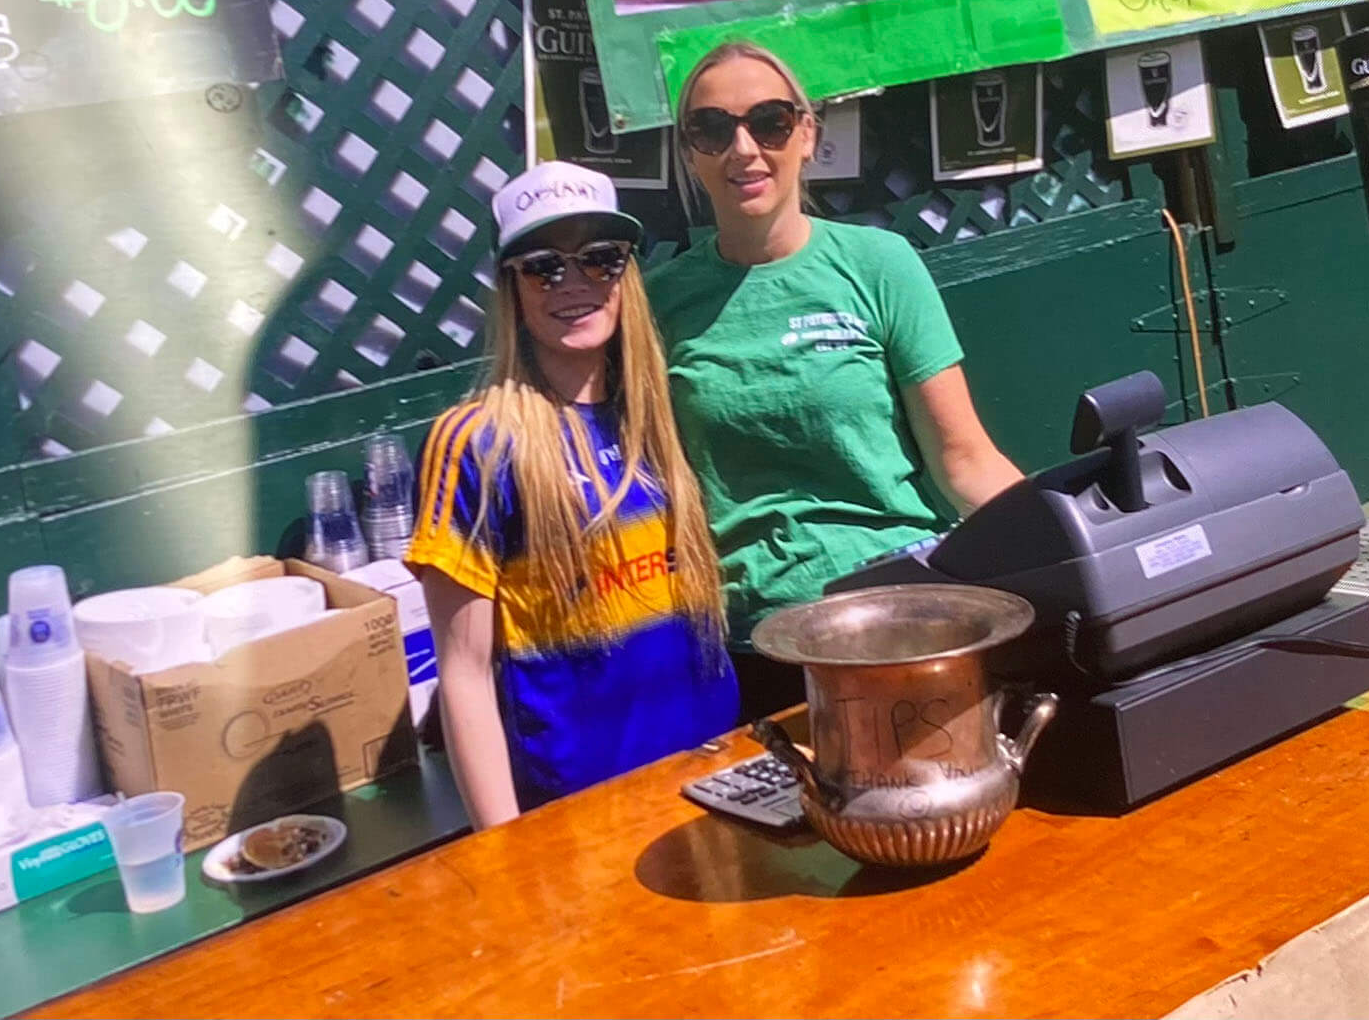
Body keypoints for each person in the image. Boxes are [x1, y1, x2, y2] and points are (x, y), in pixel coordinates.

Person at [647, 41, 1024, 717]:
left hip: (907, 607)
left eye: (769, 121)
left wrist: (1067, 545)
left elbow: (964, 459)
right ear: (689, 152)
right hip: (756, 640)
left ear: (807, 133)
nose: (743, 148)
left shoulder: (880, 264)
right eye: (713, 128)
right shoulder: (659, 304)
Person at [408, 161, 736, 827]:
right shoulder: (475, 442)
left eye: (600, 258)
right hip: (579, 820)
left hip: (718, 784)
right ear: (511, 287)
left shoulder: (663, 416)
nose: (576, 284)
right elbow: (464, 673)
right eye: (544, 266)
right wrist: (505, 856)